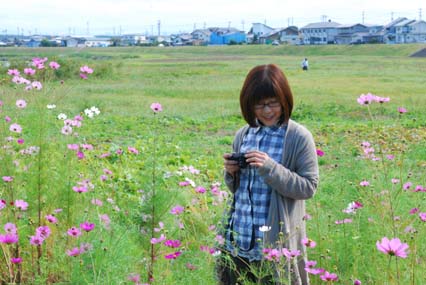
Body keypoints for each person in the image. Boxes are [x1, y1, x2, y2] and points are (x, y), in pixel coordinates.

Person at [217, 64, 319, 285]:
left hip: (275, 243)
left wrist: (270, 167)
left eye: (273, 103)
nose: (267, 111)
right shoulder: (243, 134)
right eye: (259, 105)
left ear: (285, 99)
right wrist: (231, 173)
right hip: (240, 238)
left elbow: (309, 187)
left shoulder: (298, 137)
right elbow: (238, 190)